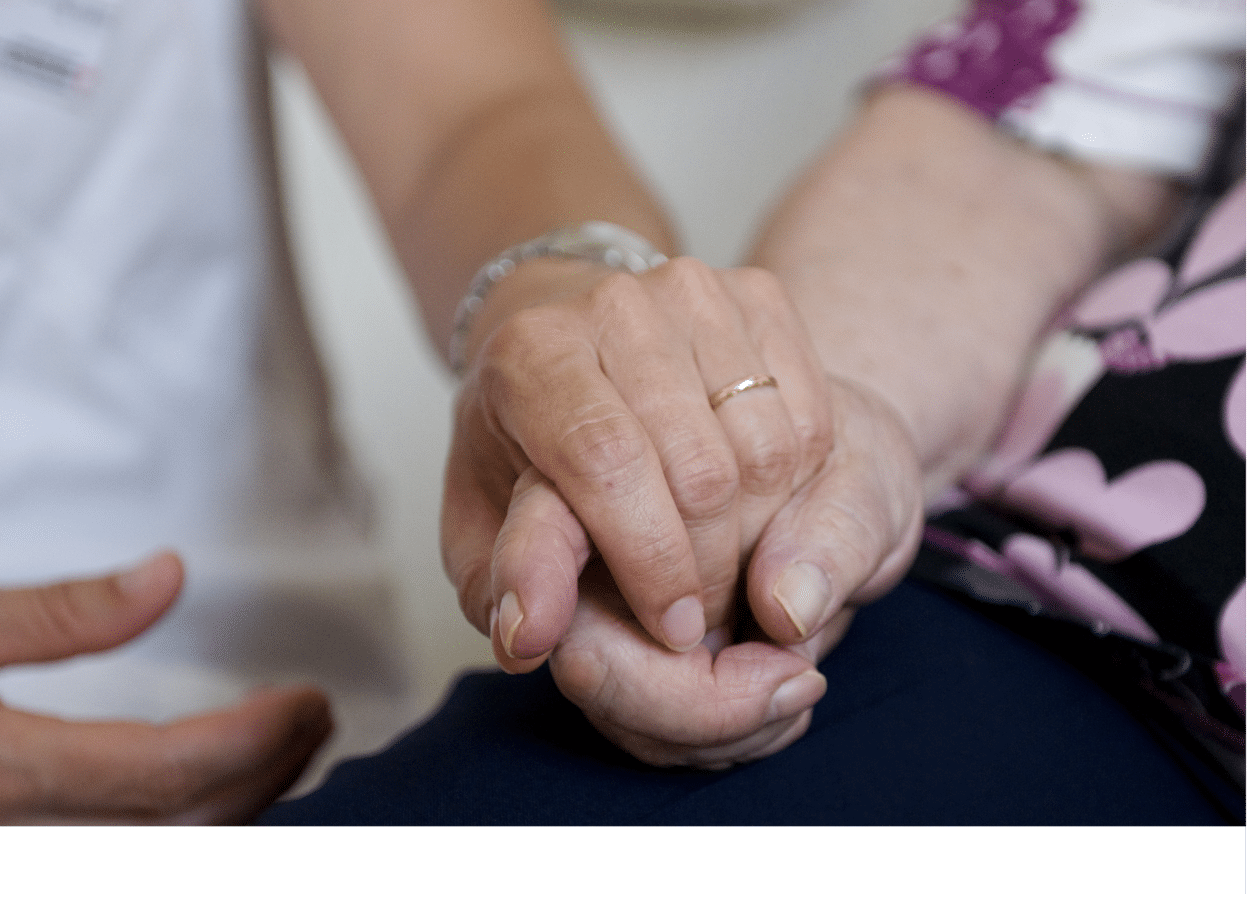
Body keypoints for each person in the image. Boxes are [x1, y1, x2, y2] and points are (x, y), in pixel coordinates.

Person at [4, 0, 1244, 826]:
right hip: (1031, 603)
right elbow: (1034, 120)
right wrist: (795, 446)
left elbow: (475, 111)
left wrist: (572, 336)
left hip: (274, 697)